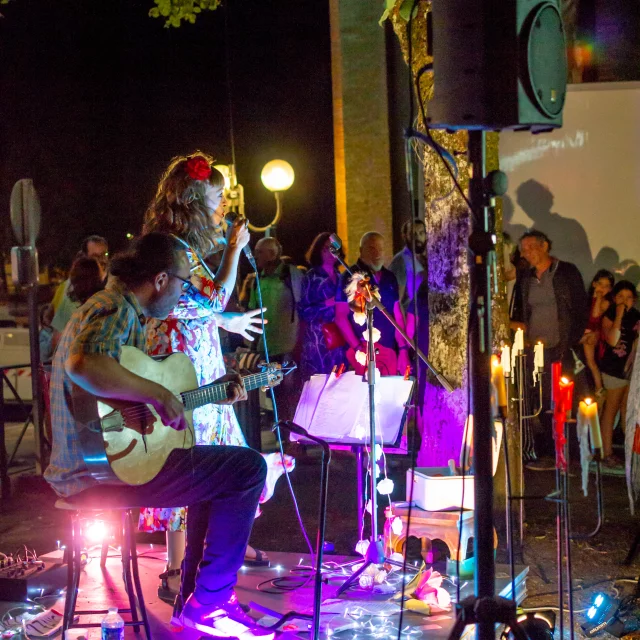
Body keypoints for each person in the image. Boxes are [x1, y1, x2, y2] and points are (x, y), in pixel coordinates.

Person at [44, 234, 273, 638]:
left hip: (96, 466)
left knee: (213, 474)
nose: (184, 293)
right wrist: (158, 393)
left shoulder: (106, 308)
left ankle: (195, 604)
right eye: (185, 283)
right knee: (249, 468)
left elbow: (114, 414)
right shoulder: (114, 307)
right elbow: (83, 364)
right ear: (161, 279)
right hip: (94, 476)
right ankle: (211, 602)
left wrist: (207, 394)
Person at [140, 152, 284, 604]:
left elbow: (197, 307)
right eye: (217, 196)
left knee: (213, 458)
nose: (223, 204)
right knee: (195, 461)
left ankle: (214, 555)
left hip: (193, 359)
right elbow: (216, 296)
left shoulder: (175, 246)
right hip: (181, 369)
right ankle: (180, 568)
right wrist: (238, 250)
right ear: (194, 198)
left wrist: (227, 324)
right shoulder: (177, 250)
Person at [511, 230, 588, 468]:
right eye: (523, 249)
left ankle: (567, 454)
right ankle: (546, 451)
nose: (526, 253)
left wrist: (573, 340)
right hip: (536, 350)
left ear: (545, 246)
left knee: (563, 401)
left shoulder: (566, 272)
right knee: (540, 400)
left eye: (531, 247)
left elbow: (580, 308)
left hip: (561, 348)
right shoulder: (526, 278)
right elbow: (522, 312)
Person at [240, 236, 305, 421]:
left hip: (288, 347)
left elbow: (303, 305)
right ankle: (283, 441)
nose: (255, 255)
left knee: (289, 394)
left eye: (260, 252)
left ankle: (294, 440)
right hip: (267, 347)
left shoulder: (291, 275)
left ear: (272, 253)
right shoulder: (256, 279)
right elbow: (253, 310)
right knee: (274, 395)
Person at [335, 231, 409, 376]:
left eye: (380, 249)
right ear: (361, 251)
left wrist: (403, 350)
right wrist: (357, 348)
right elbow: (340, 317)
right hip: (361, 350)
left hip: (388, 350)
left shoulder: (389, 277)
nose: (377, 253)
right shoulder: (350, 276)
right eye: (372, 248)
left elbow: (397, 315)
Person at [598, 281, 640, 468]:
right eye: (620, 297)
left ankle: (631, 453)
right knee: (611, 410)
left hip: (630, 371)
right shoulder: (610, 314)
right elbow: (613, 340)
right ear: (615, 298)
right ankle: (607, 453)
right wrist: (620, 314)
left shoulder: (638, 317)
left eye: (629, 297)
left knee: (628, 411)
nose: (625, 301)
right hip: (613, 370)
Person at [297, 232, 347, 379]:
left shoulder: (341, 276)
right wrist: (327, 303)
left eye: (335, 248)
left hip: (339, 338)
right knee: (318, 383)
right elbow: (303, 312)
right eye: (327, 248)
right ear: (319, 250)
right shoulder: (311, 277)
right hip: (318, 340)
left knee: (338, 382)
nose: (331, 252)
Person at [51, 236, 109, 334]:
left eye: (104, 254)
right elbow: (57, 334)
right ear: (84, 257)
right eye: (95, 256)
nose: (102, 260)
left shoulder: (115, 286)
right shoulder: (67, 289)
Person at [582, 270, 614, 399]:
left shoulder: (605, 302)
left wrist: (599, 298)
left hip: (594, 333)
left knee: (591, 362)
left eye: (606, 286)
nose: (602, 288)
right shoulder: (586, 299)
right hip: (585, 331)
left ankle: (599, 387)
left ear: (610, 289)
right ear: (594, 284)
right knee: (589, 361)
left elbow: (595, 315)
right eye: (600, 284)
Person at [389, 219, 427, 314]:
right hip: (409, 322)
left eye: (421, 233)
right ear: (405, 236)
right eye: (413, 234)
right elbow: (397, 302)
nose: (417, 237)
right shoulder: (401, 260)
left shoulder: (421, 259)